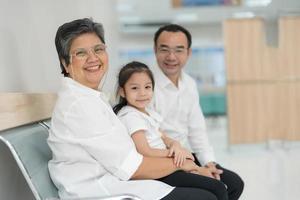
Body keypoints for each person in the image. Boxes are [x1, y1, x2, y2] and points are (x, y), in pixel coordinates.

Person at [48, 18, 221, 200]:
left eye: (98, 49)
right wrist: (183, 163)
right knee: (207, 196)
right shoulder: (80, 105)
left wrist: (187, 157)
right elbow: (131, 167)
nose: (93, 59)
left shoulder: (90, 98)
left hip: (120, 179)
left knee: (214, 189)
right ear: (66, 63)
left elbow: (192, 130)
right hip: (101, 191)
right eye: (81, 53)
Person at [150, 24, 244, 200]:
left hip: (184, 154)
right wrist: (195, 169)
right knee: (216, 189)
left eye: (179, 50)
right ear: (155, 50)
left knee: (234, 183)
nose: (171, 57)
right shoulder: (145, 85)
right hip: (161, 160)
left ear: (188, 53)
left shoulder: (190, 84)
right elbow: (151, 135)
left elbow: (197, 129)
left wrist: (208, 162)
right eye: (164, 49)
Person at [114, 61, 228, 200]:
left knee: (218, 186)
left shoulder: (146, 112)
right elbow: (144, 151)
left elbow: (163, 136)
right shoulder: (130, 116)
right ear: (122, 91)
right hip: (159, 172)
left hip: (168, 163)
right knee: (217, 188)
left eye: (147, 87)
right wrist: (175, 155)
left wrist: (176, 146)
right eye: (134, 88)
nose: (142, 93)